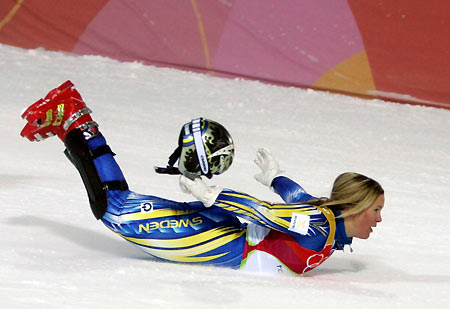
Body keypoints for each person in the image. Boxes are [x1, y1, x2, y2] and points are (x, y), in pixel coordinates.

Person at [20, 81, 385, 275]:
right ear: (356, 206)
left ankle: (73, 120)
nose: (380, 219)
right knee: (114, 208)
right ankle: (73, 118)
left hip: (224, 236)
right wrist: (216, 196)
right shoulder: (320, 227)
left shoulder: (325, 220)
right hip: (217, 241)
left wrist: (277, 176)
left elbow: (298, 198)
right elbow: (267, 212)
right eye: (376, 210)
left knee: (118, 205)